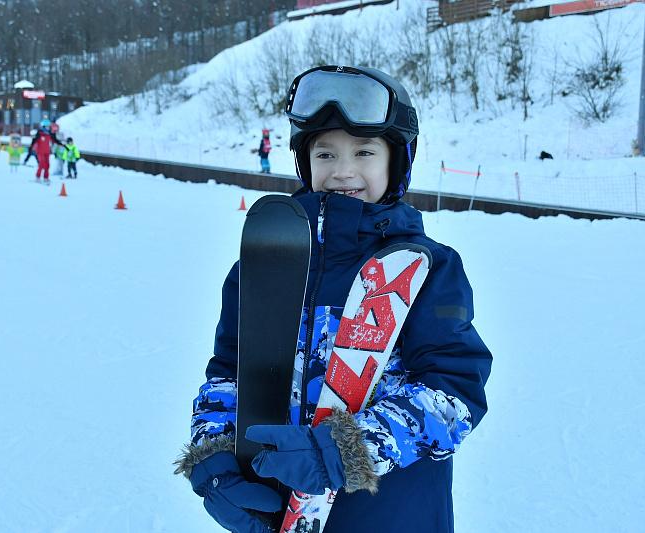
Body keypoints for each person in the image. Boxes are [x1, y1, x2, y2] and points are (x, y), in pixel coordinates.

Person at [174, 65, 492, 533]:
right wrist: (215, 459)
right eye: (325, 153)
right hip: (277, 513)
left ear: (395, 162)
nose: (343, 171)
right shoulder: (262, 263)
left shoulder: (429, 269)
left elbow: (455, 394)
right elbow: (228, 373)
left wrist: (343, 451)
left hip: (394, 515)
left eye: (364, 151)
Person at [27, 119, 63, 184]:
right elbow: (34, 141)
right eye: (47, 126)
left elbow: (55, 140)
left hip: (47, 151)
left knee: (47, 165)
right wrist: (30, 148)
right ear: (43, 126)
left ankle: (46, 178)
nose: (48, 128)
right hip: (40, 151)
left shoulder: (50, 133)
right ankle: (38, 177)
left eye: (48, 126)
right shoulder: (39, 133)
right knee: (41, 164)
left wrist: (61, 144)